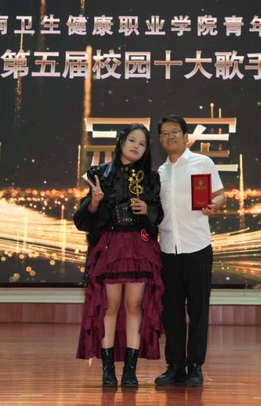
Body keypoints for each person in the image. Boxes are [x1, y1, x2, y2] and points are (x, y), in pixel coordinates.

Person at [74, 123, 165, 388]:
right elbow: (83, 220)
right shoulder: (99, 174)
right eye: (132, 140)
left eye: (142, 144)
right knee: (110, 306)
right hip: (110, 247)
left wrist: (146, 210)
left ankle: (130, 371)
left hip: (139, 247)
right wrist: (94, 201)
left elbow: (158, 217)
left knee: (134, 306)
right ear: (121, 141)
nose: (136, 147)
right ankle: (108, 371)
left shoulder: (151, 178)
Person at [154, 114, 226, 387]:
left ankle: (195, 365)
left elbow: (220, 195)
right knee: (171, 312)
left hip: (197, 246)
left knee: (198, 310)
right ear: (160, 140)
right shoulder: (159, 173)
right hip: (167, 249)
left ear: (185, 136)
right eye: (164, 133)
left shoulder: (202, 163)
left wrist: (214, 205)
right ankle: (175, 366)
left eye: (174, 131)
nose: (170, 136)